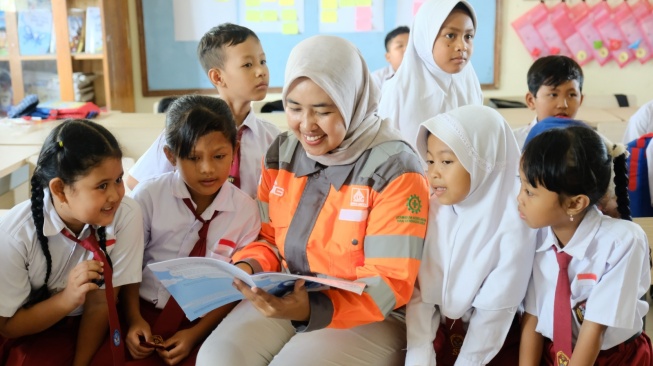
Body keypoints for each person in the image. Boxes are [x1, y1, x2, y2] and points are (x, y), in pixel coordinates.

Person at [196, 35, 430, 366]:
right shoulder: (282, 153)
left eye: (322, 111)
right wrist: (247, 268)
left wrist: (310, 309)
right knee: (217, 358)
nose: (306, 126)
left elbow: (388, 282)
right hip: (288, 292)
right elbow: (267, 238)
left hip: (370, 311)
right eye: (293, 107)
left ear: (352, 102)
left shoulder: (394, 168)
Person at [123, 95, 261, 366]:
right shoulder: (149, 196)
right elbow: (129, 265)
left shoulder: (245, 211)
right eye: (193, 158)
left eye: (219, 156)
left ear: (233, 150)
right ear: (170, 155)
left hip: (203, 323)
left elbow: (236, 286)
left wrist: (195, 334)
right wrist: (134, 318)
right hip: (142, 313)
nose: (207, 169)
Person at [0, 120, 144, 366]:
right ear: (59, 189)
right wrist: (68, 298)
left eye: (118, 180)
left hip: (94, 321)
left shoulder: (126, 214)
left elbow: (100, 304)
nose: (115, 195)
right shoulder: (15, 235)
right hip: (32, 325)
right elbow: (9, 327)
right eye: (101, 186)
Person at [405, 105, 537, 366]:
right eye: (430, 160)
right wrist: (419, 353)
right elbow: (419, 295)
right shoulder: (433, 208)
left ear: (484, 163)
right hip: (438, 334)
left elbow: (495, 313)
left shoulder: (515, 222)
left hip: (493, 344)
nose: (433, 173)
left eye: (446, 161)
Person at [518, 126, 652, 365]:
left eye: (529, 191)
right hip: (555, 353)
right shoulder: (535, 234)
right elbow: (532, 316)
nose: (519, 198)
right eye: (521, 185)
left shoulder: (622, 243)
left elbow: (595, 330)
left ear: (575, 203)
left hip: (612, 357)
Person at [126, 23, 280, 198]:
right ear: (217, 77)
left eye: (263, 61)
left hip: (250, 224)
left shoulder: (271, 138)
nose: (261, 71)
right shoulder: (186, 127)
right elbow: (136, 181)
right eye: (247, 64)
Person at [378, 0, 482, 147]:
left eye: (468, 36)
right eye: (451, 35)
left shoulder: (469, 82)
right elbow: (384, 152)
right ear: (425, 38)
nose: (462, 46)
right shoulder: (398, 91)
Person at [515, 55, 584, 148]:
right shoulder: (513, 143)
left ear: (581, 100)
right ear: (531, 100)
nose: (563, 105)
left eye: (572, 95)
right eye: (553, 95)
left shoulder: (593, 143)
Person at [370, 26, 409, 92]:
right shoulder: (377, 79)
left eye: (410, 45)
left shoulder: (425, 75)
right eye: (400, 46)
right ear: (388, 57)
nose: (407, 49)